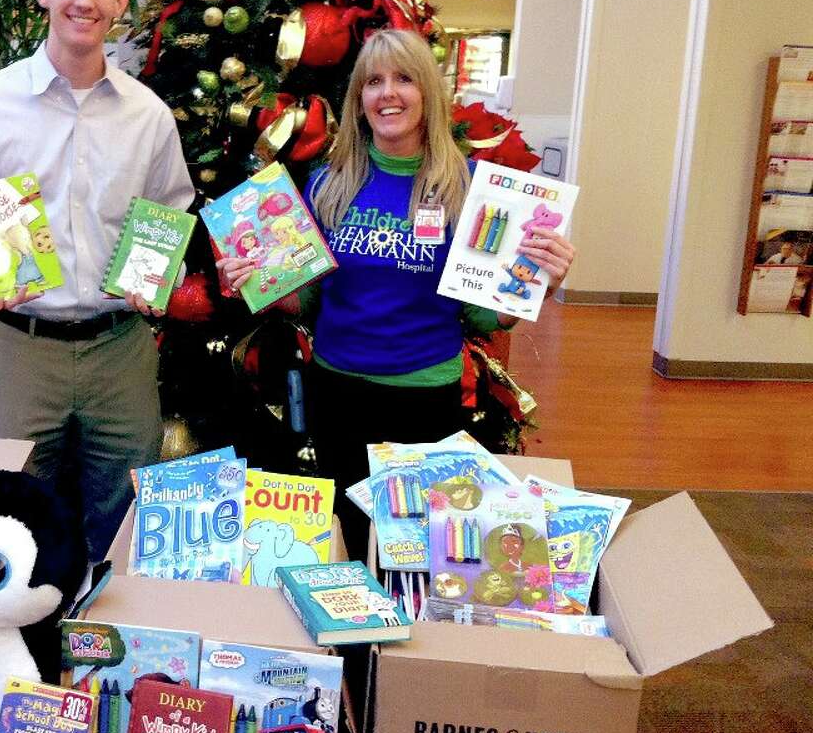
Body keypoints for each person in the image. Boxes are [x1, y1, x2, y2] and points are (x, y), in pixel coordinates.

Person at [218, 29, 575, 559]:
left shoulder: (470, 188)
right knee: (348, 542)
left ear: (427, 93)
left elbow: (484, 317)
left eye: (404, 79)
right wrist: (259, 285)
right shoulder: (328, 184)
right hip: (337, 392)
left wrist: (540, 285)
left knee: (410, 554)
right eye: (374, 82)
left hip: (424, 397)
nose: (388, 93)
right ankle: (354, 646)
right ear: (359, 101)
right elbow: (312, 303)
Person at [0, 0, 195, 560]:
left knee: (122, 517)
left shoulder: (148, 116)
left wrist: (164, 278)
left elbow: (171, 212)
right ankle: (23, 653)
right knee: (6, 518)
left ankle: (104, 649)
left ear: (120, 2)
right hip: (22, 348)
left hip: (119, 349)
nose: (85, 1)